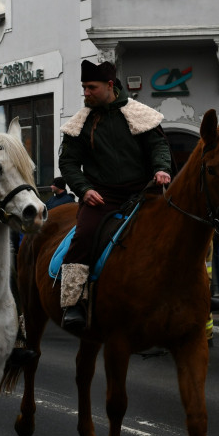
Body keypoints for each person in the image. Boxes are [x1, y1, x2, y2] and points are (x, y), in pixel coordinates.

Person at [58, 60, 172, 332]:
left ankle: (196, 291)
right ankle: (73, 303)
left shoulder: (140, 114)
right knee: (84, 235)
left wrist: (161, 169)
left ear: (110, 86)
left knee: (179, 228)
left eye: (91, 87)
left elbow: (159, 146)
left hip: (143, 193)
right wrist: (84, 190)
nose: (85, 92)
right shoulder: (80, 123)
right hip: (102, 195)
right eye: (84, 87)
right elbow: (69, 164)